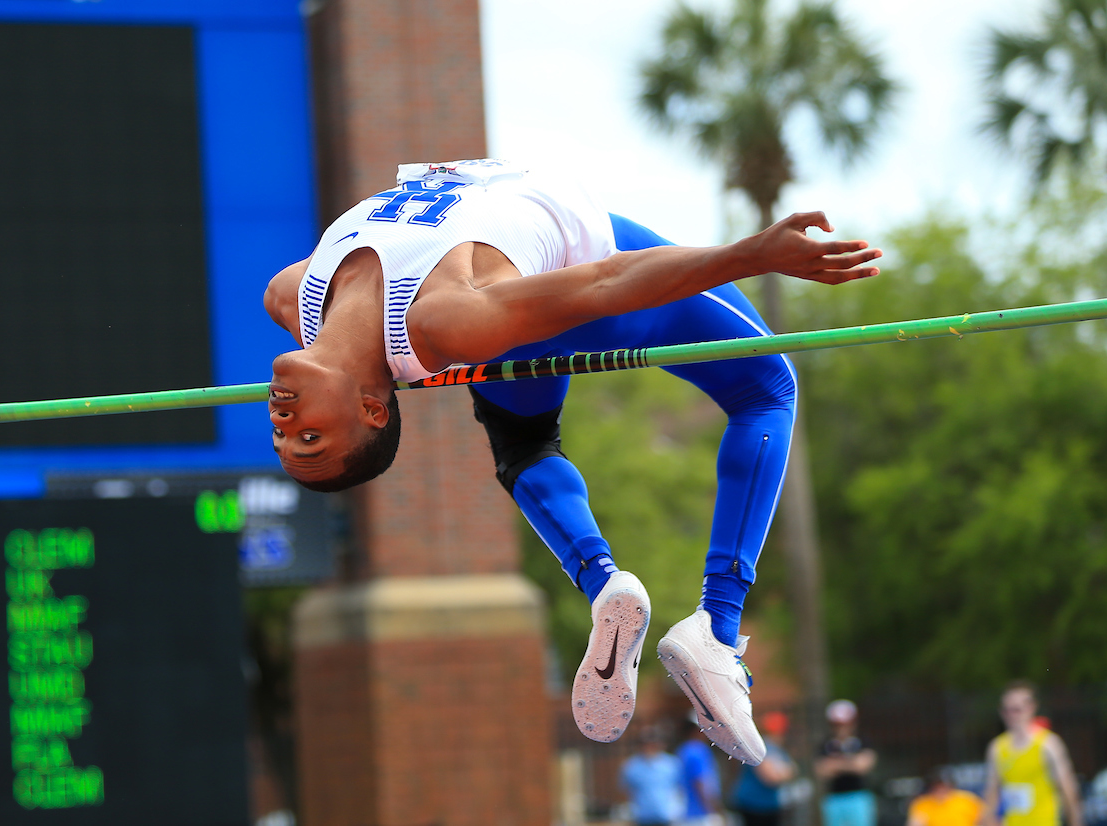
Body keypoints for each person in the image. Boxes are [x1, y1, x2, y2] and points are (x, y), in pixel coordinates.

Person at [263, 159, 881, 762]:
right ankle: (717, 630)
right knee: (768, 387)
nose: (285, 427)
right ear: (371, 410)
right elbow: (604, 283)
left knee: (523, 442)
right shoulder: (447, 321)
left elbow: (355, 311)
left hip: (505, 308)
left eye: (286, 441)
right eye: (310, 440)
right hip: (572, 283)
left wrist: (367, 358)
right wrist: (753, 254)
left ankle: (606, 583)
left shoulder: (291, 297)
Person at [983, 681, 1084, 826]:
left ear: (1031, 708)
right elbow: (991, 793)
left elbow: (1068, 789)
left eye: (1016, 709)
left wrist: (1076, 822)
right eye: (1006, 710)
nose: (1011, 715)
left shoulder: (1048, 744)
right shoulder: (997, 748)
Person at [816, 699, 878, 826]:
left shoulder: (862, 741)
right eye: (837, 724)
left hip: (858, 797)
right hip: (834, 798)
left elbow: (863, 765)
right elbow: (821, 770)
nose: (842, 728)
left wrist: (836, 764)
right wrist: (851, 762)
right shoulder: (825, 744)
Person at [734, 710, 798, 826]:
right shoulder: (760, 747)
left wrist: (782, 772)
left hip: (769, 805)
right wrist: (782, 772)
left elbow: (793, 770)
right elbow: (770, 777)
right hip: (753, 805)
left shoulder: (778, 749)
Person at [621, 727, 686, 826]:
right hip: (643, 818)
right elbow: (626, 790)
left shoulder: (672, 764)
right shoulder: (631, 766)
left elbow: (680, 789)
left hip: (667, 816)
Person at [676, 715, 724, 826]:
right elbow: (701, 783)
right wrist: (714, 810)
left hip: (685, 813)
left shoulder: (683, 749)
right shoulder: (698, 750)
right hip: (701, 815)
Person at [908, 768, 984, 826]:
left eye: (943, 786)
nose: (940, 789)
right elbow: (915, 823)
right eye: (936, 786)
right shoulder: (923, 804)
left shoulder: (967, 799)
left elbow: (985, 819)